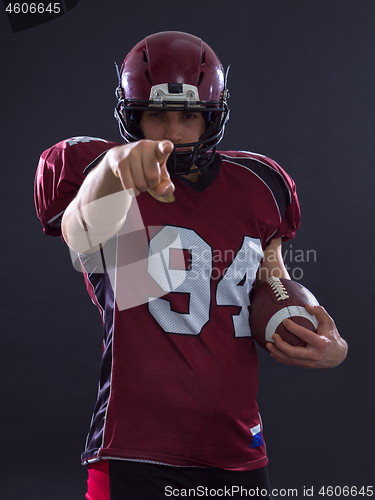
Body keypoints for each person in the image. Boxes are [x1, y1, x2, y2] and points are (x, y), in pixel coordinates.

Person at [34, 31, 347, 500]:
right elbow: (80, 233)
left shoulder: (261, 184)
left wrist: (328, 341)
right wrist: (111, 172)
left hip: (236, 441)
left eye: (189, 116)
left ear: (212, 118)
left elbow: (271, 276)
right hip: (134, 446)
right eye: (156, 115)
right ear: (133, 115)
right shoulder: (101, 175)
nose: (173, 131)